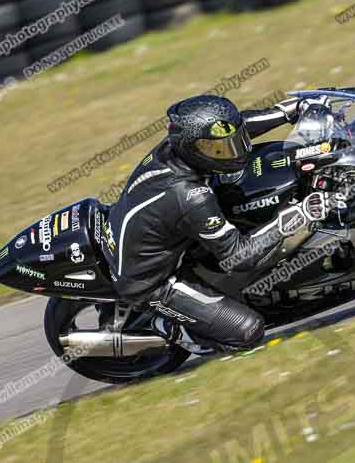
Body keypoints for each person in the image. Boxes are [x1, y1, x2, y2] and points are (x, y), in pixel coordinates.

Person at [98, 94, 330, 351]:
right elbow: (239, 257)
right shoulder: (190, 196)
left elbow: (233, 128)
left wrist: (288, 111)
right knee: (248, 331)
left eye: (234, 143)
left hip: (160, 236)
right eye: (220, 149)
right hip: (151, 283)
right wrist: (294, 217)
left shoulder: (179, 145)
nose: (236, 152)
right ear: (195, 149)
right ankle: (165, 327)